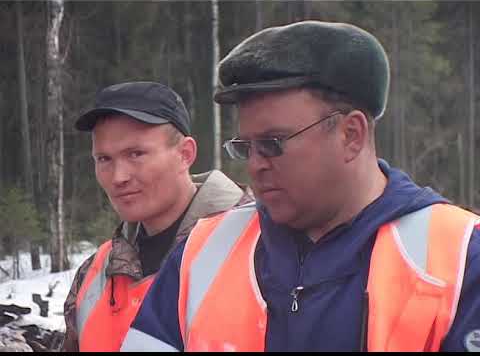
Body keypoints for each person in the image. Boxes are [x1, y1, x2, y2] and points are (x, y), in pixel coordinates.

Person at [121, 22, 480, 352]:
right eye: (246, 147)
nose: (255, 163)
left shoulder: (460, 258)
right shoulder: (203, 252)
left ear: (350, 134)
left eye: (274, 143)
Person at [61, 81, 252, 352]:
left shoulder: (262, 247)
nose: (118, 177)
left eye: (136, 154)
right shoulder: (96, 274)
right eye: (104, 159)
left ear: (185, 154)